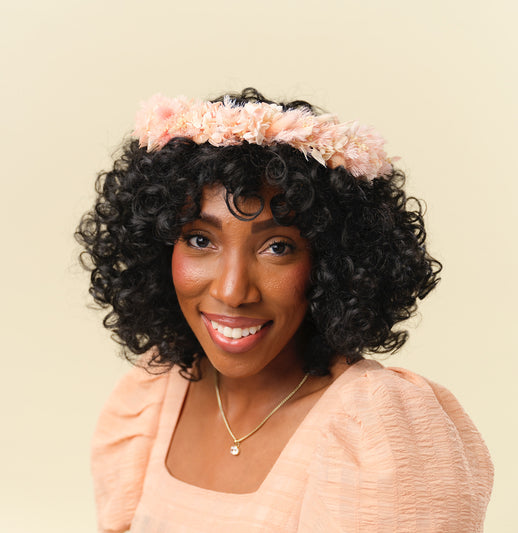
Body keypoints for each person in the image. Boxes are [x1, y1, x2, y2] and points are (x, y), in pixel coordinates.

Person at [76, 88, 493, 532]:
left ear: (332, 263)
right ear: (158, 249)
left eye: (277, 247)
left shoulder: (373, 433)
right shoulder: (151, 399)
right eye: (201, 240)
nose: (233, 291)